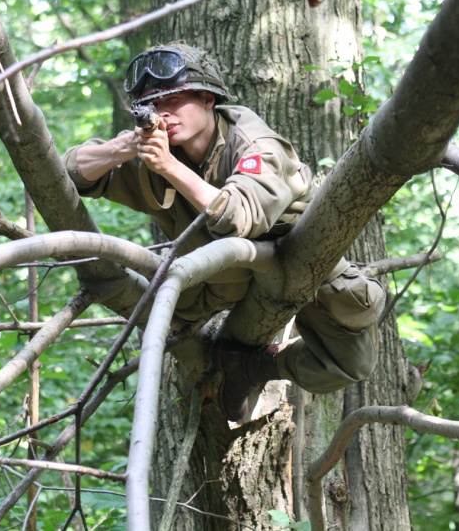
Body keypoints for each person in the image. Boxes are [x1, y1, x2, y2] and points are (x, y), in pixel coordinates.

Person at [63, 42, 384, 422]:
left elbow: (239, 218)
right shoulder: (154, 149)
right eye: (152, 105)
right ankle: (217, 369)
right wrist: (125, 147)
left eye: (174, 99)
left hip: (288, 261)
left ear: (207, 98)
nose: (163, 114)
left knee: (351, 362)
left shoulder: (254, 145)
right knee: (163, 314)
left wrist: (168, 167)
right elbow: (67, 173)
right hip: (212, 279)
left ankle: (253, 368)